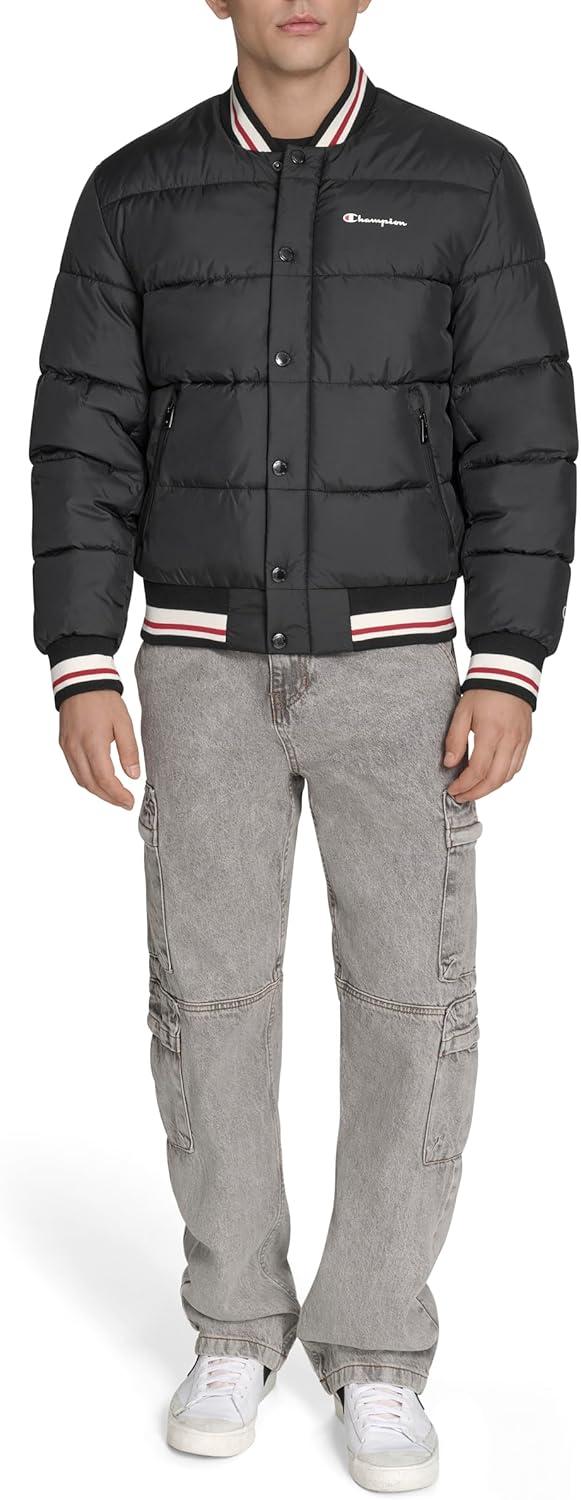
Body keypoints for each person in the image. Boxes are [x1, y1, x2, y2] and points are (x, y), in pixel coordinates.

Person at [30, 0, 576, 1491]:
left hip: (401, 674)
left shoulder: (466, 182)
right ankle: (233, 1320)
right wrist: (81, 659)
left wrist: (509, 659)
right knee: (208, 1001)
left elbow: (522, 428)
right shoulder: (133, 193)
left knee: (410, 1005)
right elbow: (84, 431)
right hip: (197, 672)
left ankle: (380, 1345)